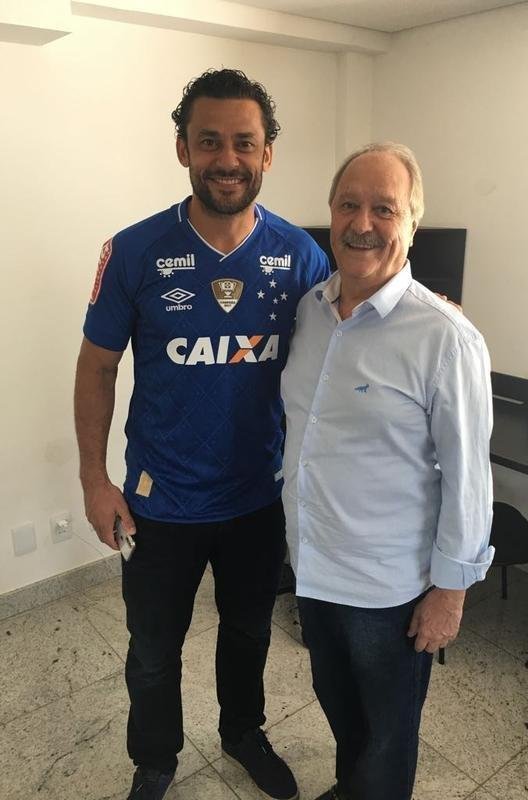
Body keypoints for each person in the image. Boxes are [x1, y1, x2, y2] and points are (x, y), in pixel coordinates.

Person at [74, 68, 329, 800]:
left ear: (268, 153)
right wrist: (97, 481)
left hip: (258, 501)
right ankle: (154, 760)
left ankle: (243, 733)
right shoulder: (134, 251)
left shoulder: (301, 256)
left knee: (247, 636)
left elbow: (347, 340)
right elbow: (96, 368)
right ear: (182, 148)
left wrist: (420, 306)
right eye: (209, 140)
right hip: (159, 506)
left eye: (244, 142)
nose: (227, 158)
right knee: (153, 654)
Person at [281, 142, 494, 800]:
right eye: (349, 204)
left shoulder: (443, 337)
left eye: (384, 208)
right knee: (343, 716)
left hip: (388, 595)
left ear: (412, 223)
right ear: (331, 212)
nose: (362, 222)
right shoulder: (309, 311)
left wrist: (450, 594)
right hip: (314, 572)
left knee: (388, 735)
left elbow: (469, 479)